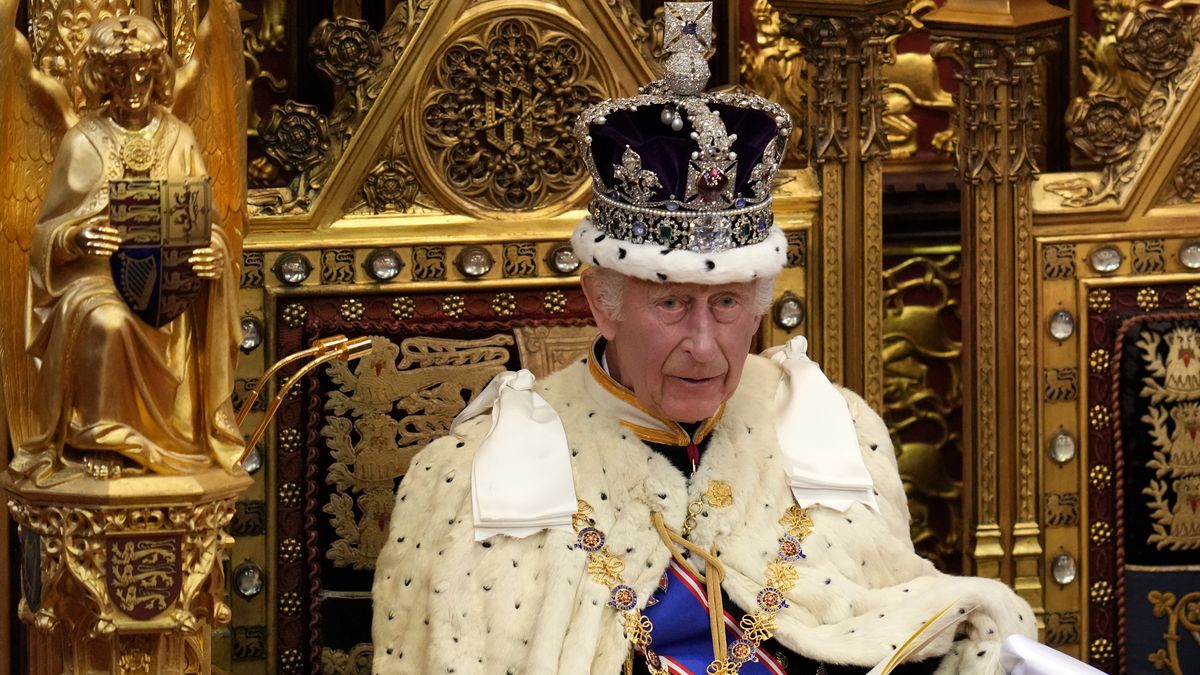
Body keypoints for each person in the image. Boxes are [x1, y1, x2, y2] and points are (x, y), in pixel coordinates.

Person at [372, 4, 1042, 673]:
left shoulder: (831, 427)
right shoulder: (472, 474)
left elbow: (900, 620)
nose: (703, 344)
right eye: (670, 302)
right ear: (603, 303)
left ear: (759, 304)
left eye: (726, 303)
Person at [10, 15, 243, 485]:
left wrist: (214, 253)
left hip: (167, 282)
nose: (132, 85)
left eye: (141, 72)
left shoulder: (180, 136)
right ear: (102, 78)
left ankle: (176, 442)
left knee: (164, 316)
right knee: (109, 321)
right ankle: (103, 438)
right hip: (94, 282)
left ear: (157, 74)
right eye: (119, 75)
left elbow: (208, 224)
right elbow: (42, 235)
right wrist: (74, 238)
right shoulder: (83, 141)